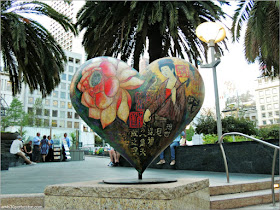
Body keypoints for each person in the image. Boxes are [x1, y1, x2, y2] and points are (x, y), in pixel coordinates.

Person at [144, 59, 186, 124]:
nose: (164, 72)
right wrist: (149, 111)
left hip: (171, 119)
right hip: (159, 116)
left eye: (166, 69)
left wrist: (174, 99)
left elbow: (181, 109)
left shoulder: (180, 87)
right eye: (162, 70)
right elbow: (158, 101)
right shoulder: (162, 86)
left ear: (172, 69)